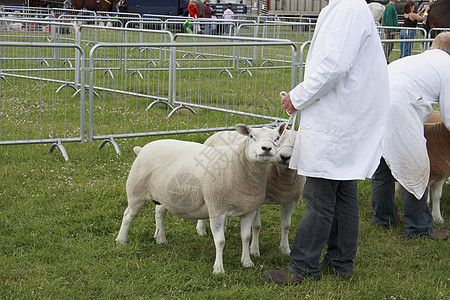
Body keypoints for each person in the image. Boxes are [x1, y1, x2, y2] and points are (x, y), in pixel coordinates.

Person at [260, 0, 390, 285]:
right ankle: (340, 261)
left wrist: (298, 95)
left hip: (337, 121)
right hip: (343, 118)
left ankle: (303, 267)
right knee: (343, 191)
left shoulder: (346, 10)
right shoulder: (349, 8)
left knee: (318, 197)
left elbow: (334, 66)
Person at [371, 32, 450, 241]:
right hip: (400, 109)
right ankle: (419, 229)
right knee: (415, 166)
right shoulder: (448, 67)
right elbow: (449, 117)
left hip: (374, 103)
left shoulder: (415, 59)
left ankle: (384, 217)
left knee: (383, 163)